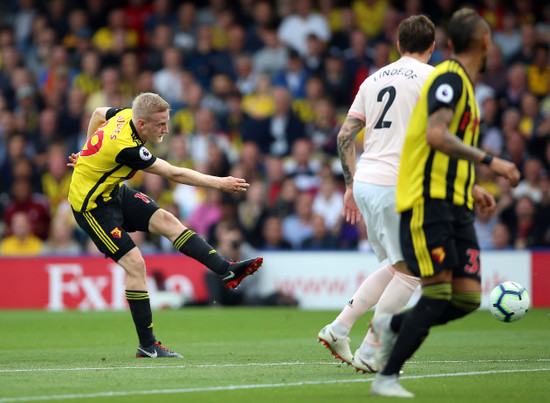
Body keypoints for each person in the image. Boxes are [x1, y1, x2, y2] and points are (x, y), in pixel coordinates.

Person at [369, 9, 520, 397]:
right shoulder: (449, 78)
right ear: (485, 43)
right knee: (436, 293)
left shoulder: (465, 85)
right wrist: (492, 162)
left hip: (456, 203)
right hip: (427, 201)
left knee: (467, 297)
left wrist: (471, 188)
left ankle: (391, 326)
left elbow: (437, 147)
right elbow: (436, 135)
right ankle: (386, 376)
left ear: (451, 42)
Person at [67, 92, 263, 358]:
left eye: (166, 121)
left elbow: (98, 113)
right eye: (160, 124)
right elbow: (174, 173)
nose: (166, 129)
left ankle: (226, 270)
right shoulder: (127, 147)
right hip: (91, 207)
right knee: (136, 264)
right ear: (142, 124)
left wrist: (85, 151)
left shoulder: (126, 114)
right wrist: (220, 182)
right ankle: (147, 345)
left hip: (113, 191)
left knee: (167, 221)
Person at [317, 14, 436, 373]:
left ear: (398, 45)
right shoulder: (434, 79)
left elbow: (343, 137)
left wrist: (351, 184)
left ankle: (339, 328)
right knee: (412, 273)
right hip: (398, 184)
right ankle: (372, 349)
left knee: (396, 265)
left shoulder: (372, 79)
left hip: (368, 180)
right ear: (432, 47)